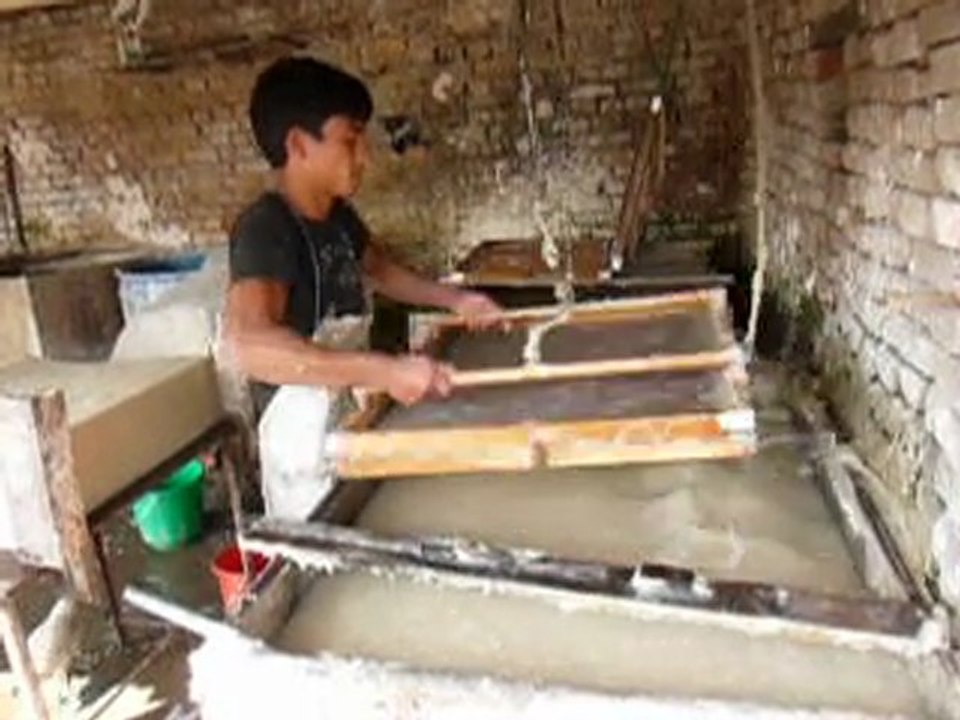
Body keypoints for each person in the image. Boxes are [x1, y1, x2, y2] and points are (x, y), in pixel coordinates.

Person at [222, 57, 502, 518]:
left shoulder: (337, 216)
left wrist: (457, 300)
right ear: (298, 145)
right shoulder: (266, 228)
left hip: (345, 415)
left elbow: (383, 271)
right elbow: (250, 346)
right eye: (350, 141)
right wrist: (385, 371)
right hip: (299, 441)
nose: (364, 157)